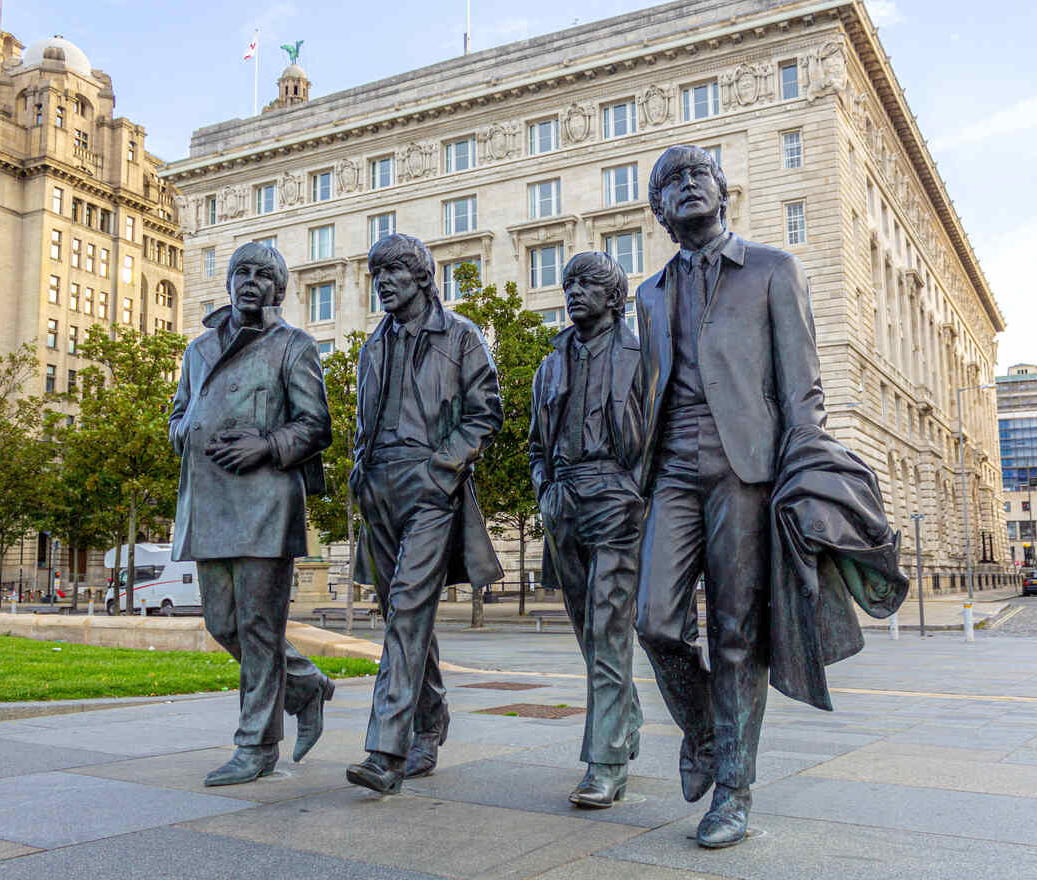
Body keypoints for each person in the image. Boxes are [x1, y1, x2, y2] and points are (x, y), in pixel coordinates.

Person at [633, 144, 828, 847]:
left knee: (737, 634)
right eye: (671, 183)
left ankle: (734, 792)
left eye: (698, 176)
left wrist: (804, 469)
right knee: (655, 621)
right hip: (674, 470)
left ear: (724, 193)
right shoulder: (647, 293)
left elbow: (802, 383)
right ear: (658, 210)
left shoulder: (774, 269)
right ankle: (708, 734)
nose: (687, 187)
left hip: (747, 465)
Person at [169, 240, 336, 787]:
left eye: (264, 276)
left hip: (266, 500)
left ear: (279, 290)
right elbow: (178, 414)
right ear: (228, 282)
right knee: (222, 623)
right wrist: (186, 435)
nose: (250, 281)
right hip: (209, 499)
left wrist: (265, 444)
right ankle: (306, 683)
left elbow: (316, 426)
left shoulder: (295, 346)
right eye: (242, 272)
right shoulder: (197, 350)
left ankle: (257, 745)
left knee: (259, 627)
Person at [346, 233, 503, 794]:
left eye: (392, 271)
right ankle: (431, 720)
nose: (382, 281)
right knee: (401, 616)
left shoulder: (460, 337)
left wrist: (445, 468)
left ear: (421, 277)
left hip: (431, 485)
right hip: (379, 490)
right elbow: (362, 423)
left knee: (410, 609)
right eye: (376, 272)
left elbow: (487, 412)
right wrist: (359, 471)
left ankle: (385, 749)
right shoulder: (371, 347)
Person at [528, 251, 645, 808]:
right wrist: (543, 489)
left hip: (617, 498)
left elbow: (662, 432)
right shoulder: (550, 362)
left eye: (588, 283)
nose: (573, 291)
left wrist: (634, 490)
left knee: (607, 627)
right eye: (569, 283)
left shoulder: (642, 354)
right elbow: (535, 444)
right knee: (588, 632)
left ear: (614, 296)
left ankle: (605, 763)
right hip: (563, 501)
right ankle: (625, 718)